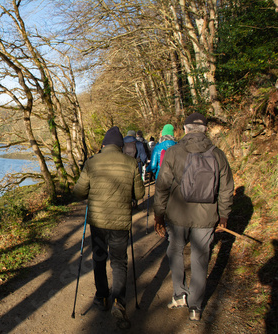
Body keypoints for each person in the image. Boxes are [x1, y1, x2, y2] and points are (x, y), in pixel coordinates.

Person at [153, 113, 234, 322]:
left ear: (185, 129)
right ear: (205, 129)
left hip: (177, 214)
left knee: (175, 251)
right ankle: (196, 307)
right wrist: (224, 215)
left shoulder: (173, 153)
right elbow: (226, 189)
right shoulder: (218, 155)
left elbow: (161, 187)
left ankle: (180, 294)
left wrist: (159, 214)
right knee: (200, 259)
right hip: (206, 217)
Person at [73, 126, 145, 329]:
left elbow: (79, 192)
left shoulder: (92, 162)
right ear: (121, 146)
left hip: (97, 222)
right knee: (119, 263)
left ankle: (102, 297)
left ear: (103, 145)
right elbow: (139, 195)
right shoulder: (131, 163)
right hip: (120, 223)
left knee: (99, 258)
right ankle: (119, 303)